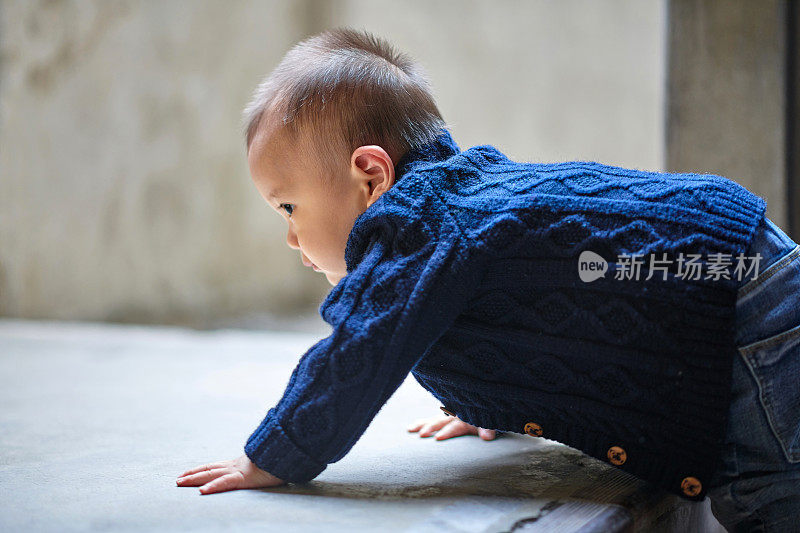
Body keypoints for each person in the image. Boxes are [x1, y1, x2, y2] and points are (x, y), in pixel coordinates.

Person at [175, 27, 800, 530]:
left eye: (289, 207)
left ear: (370, 175)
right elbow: (541, 299)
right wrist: (490, 402)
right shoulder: (463, 206)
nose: (290, 236)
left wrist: (274, 452)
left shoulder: (419, 219)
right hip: (737, 267)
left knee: (771, 495)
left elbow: (360, 346)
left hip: (743, 316)